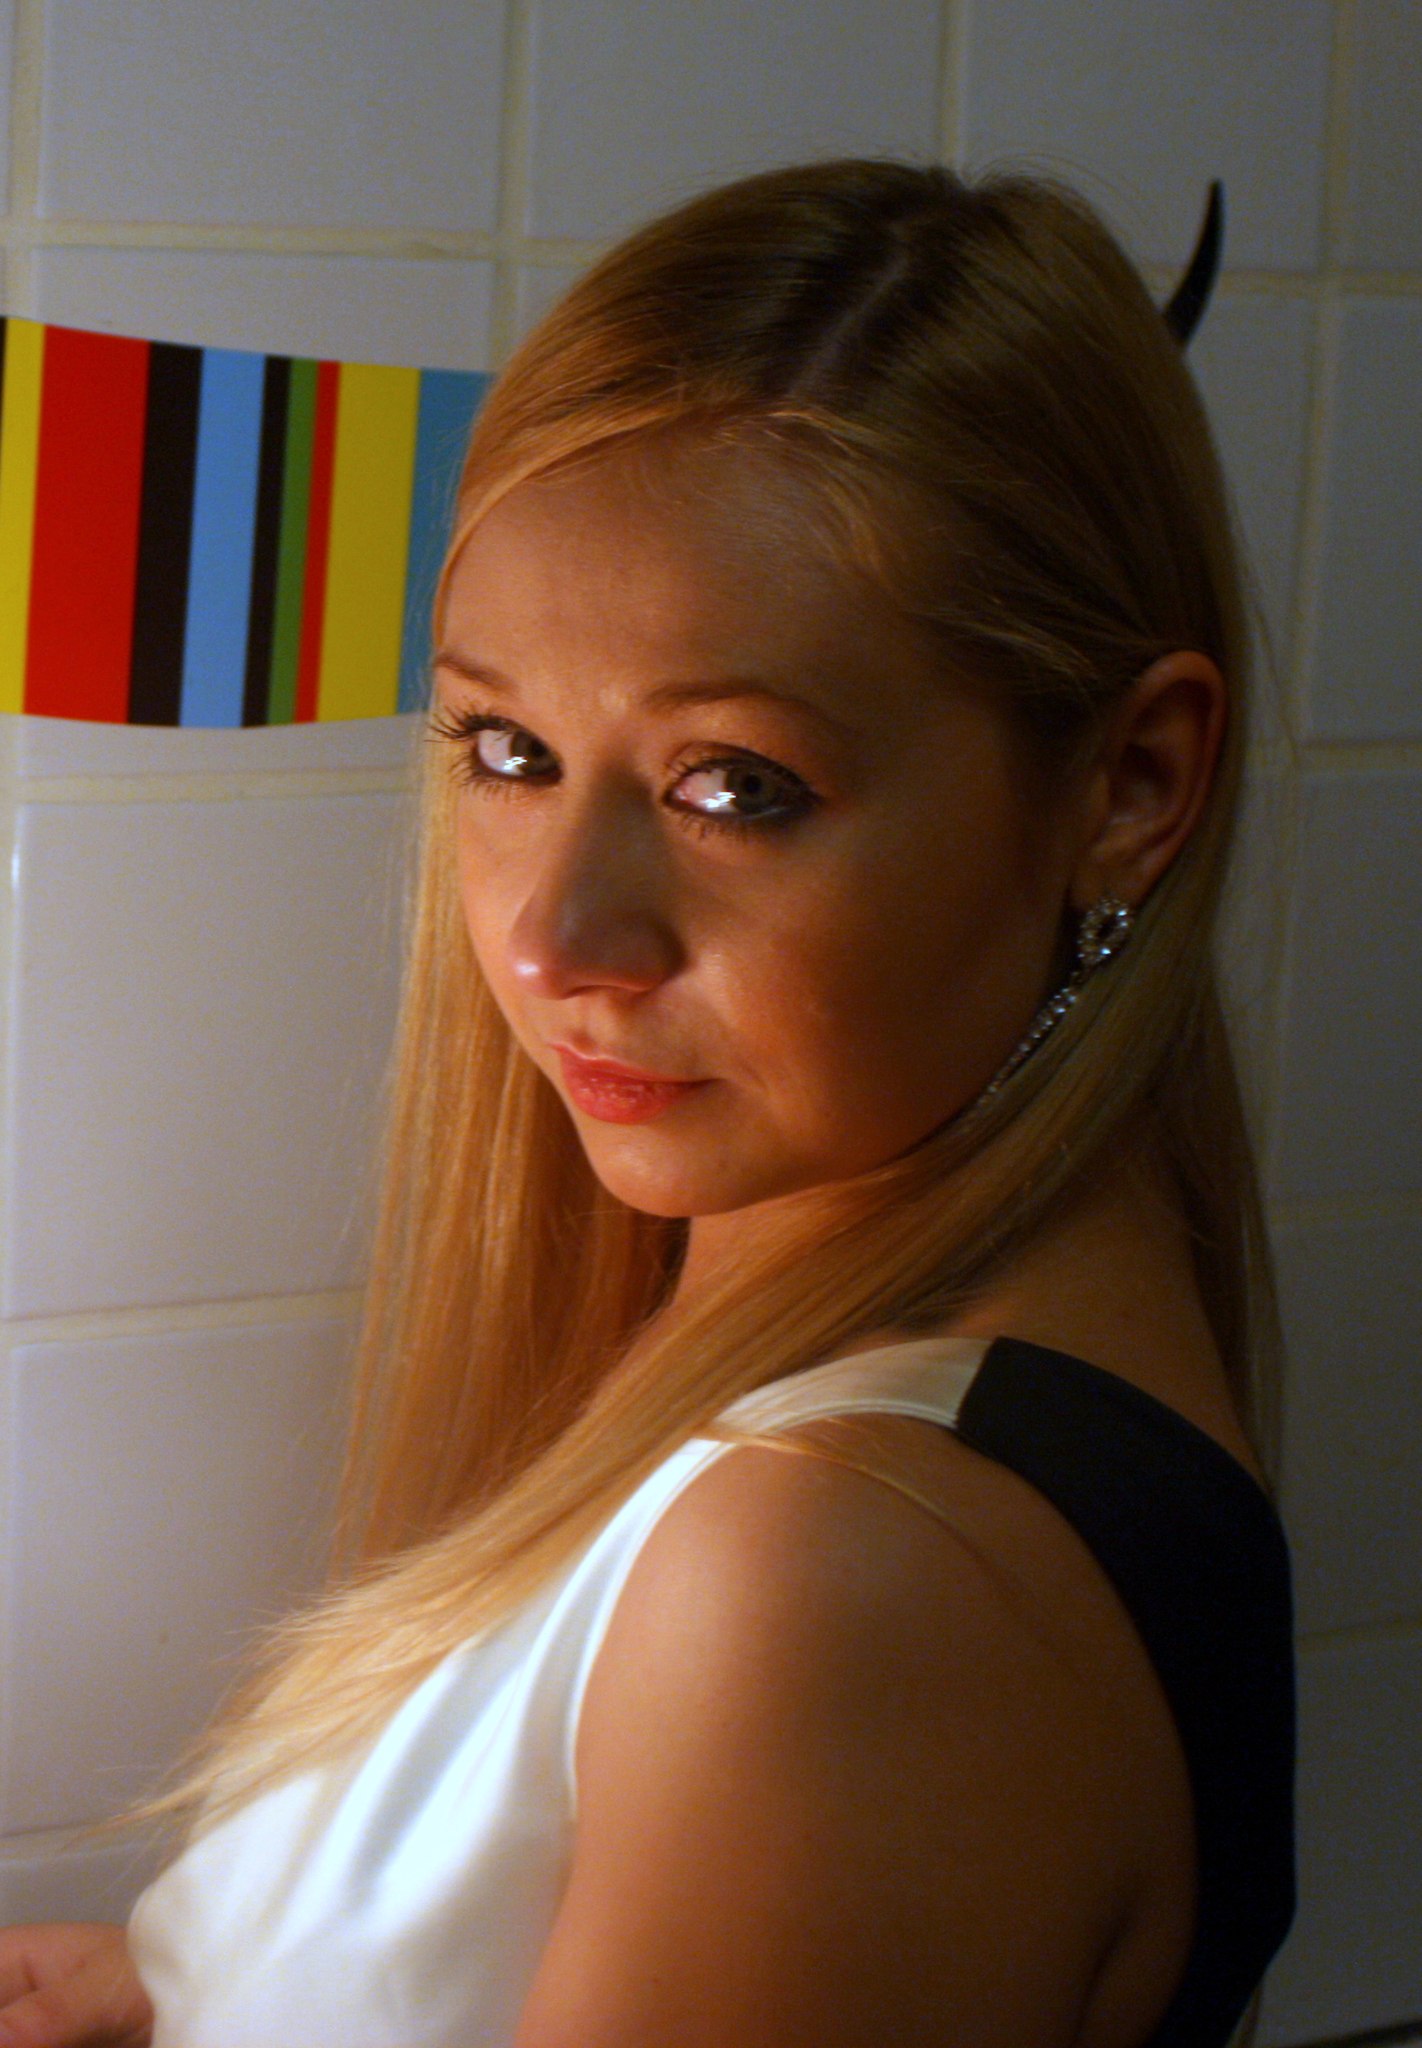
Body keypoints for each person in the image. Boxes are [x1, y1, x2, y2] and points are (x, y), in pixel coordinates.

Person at [0, 157, 1296, 2048]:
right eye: (507, 748)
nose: (553, 940)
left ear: (1130, 787)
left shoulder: (849, 1571)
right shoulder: (830, 1373)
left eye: (733, 786)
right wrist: (195, 1990)